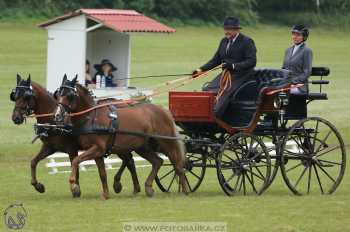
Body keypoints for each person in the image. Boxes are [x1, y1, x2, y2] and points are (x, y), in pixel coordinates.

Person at [192, 17, 257, 119]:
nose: (227, 31)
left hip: (243, 75)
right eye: (225, 29)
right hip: (227, 74)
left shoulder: (247, 41)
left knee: (224, 91)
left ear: (237, 30)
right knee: (209, 88)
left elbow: (252, 61)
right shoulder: (224, 41)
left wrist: (233, 66)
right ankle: (202, 113)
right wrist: (200, 70)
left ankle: (215, 115)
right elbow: (216, 60)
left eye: (229, 29)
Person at [282, 24, 313, 94]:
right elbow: (283, 69)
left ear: (304, 37)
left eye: (298, 35)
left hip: (300, 86)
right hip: (286, 85)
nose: (294, 37)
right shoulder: (288, 50)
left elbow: (307, 72)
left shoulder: (307, 51)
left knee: (282, 92)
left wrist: (293, 82)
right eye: (293, 34)